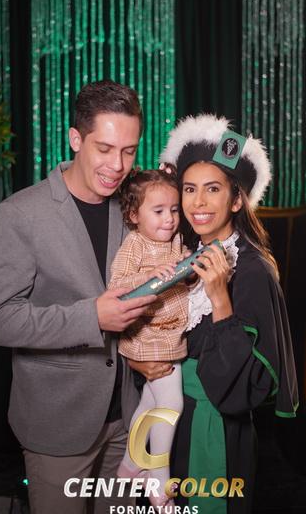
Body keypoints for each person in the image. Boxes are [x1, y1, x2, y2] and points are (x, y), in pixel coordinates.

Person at [0, 80, 162, 514]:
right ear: (76, 139)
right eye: (105, 148)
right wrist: (92, 317)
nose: (118, 165)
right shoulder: (19, 214)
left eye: (129, 151)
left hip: (128, 419)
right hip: (57, 424)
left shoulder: (133, 206)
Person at [129, 114, 298, 514]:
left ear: (236, 200)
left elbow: (242, 392)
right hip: (168, 425)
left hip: (213, 435)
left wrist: (220, 299)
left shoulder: (254, 271)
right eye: (189, 189)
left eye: (213, 189)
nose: (198, 202)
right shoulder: (181, 253)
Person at [108, 166, 189, 508]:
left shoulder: (175, 240)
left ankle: (130, 465)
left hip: (172, 335)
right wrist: (148, 276)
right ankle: (158, 480)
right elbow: (116, 287)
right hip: (148, 337)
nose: (169, 219)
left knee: (151, 404)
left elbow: (181, 276)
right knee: (172, 405)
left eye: (173, 210)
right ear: (133, 216)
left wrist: (189, 266)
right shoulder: (135, 244)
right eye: (158, 211)